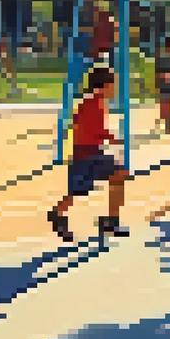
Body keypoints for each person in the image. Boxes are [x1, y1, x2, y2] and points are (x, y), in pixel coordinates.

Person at [48, 66, 130, 242]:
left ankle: (111, 220)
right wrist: (110, 137)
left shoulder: (96, 101)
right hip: (85, 155)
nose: (115, 87)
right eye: (113, 83)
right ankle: (57, 213)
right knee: (77, 192)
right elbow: (89, 130)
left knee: (119, 173)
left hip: (93, 152)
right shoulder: (92, 103)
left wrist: (108, 137)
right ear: (105, 84)